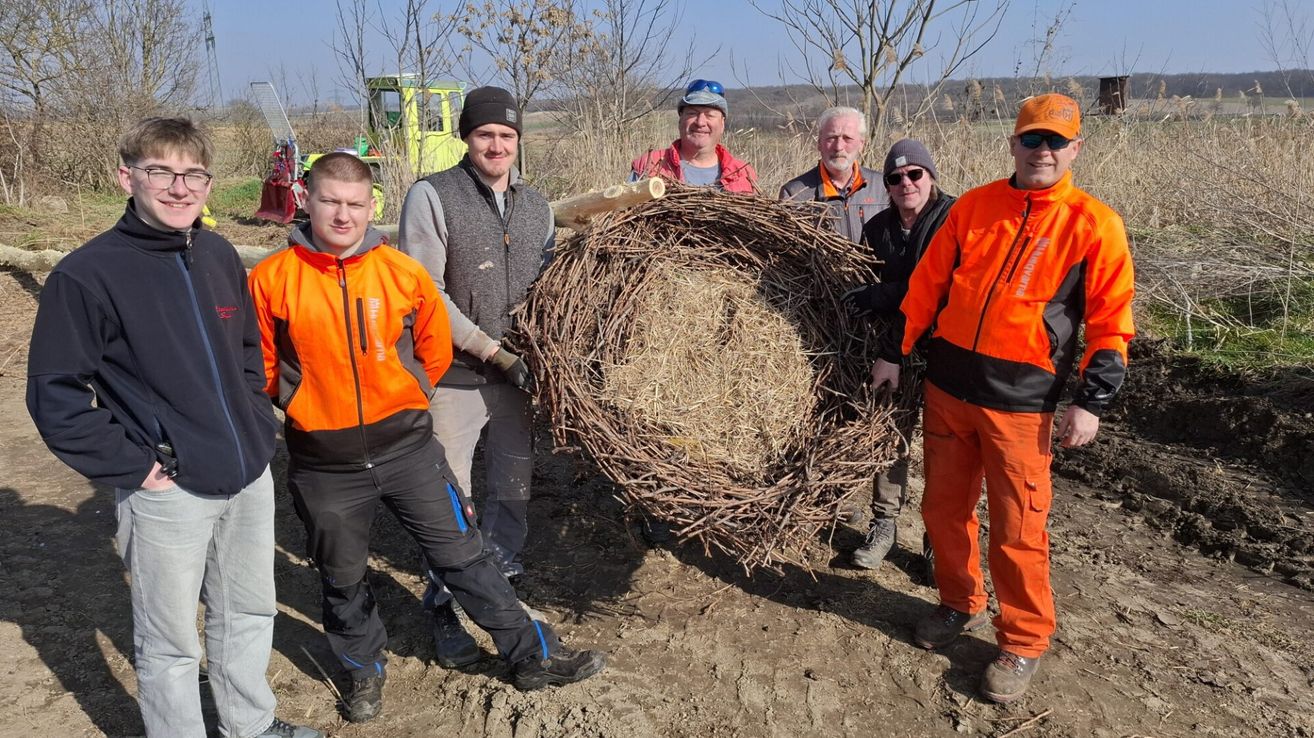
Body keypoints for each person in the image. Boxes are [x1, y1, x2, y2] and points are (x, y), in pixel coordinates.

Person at [250, 153, 604, 723]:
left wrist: (406, 394)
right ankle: (364, 670)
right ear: (307, 201)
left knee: (464, 555)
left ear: (372, 207)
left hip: (408, 451)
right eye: (331, 201)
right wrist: (299, 401)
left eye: (355, 204)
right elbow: (263, 365)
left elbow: (434, 350)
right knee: (340, 574)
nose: (343, 215)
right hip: (325, 462)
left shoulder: (400, 274)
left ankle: (527, 653)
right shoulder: (272, 279)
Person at [25, 117, 319, 738]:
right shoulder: (87, 275)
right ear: (125, 176)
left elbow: (245, 350)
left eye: (193, 175)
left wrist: (257, 422)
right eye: (161, 171)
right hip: (169, 489)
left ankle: (250, 725)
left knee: (247, 611)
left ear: (209, 183)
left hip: (246, 471)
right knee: (170, 643)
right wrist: (138, 467)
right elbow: (55, 395)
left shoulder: (215, 253)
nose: (180, 188)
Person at [875, 94, 1135, 703]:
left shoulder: (1094, 223)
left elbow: (1111, 320)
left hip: (1021, 405)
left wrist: (1091, 401)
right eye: (1032, 139)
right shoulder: (973, 207)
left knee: (1019, 530)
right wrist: (895, 349)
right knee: (943, 511)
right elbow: (927, 287)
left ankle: (1021, 641)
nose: (1042, 151)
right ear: (1013, 143)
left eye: (1055, 142)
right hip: (948, 390)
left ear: (1075, 149)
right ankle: (956, 602)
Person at [397, 86, 556, 664]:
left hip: (519, 375)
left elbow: (548, 288)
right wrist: (493, 351)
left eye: (507, 135)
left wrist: (534, 356)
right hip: (454, 373)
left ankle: (503, 573)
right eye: (486, 134)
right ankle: (444, 593)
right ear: (467, 136)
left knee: (514, 480)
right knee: (449, 492)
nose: (497, 144)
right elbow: (426, 293)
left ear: (518, 142)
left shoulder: (538, 206)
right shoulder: (432, 196)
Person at [841, 139, 955, 570]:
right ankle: (884, 523)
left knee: (945, 451)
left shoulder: (953, 219)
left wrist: (882, 294)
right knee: (891, 437)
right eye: (895, 177)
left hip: (948, 351)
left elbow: (937, 287)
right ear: (885, 185)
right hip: (896, 352)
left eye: (915, 174)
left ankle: (937, 539)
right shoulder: (878, 230)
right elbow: (872, 292)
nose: (905, 183)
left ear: (931, 176)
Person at [779, 106, 887, 242]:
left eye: (847, 138)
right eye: (831, 138)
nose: (838, 147)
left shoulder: (883, 187)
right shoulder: (795, 194)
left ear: (861, 144)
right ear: (819, 143)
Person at [629, 79, 757, 192]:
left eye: (709, 115)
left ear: (722, 124)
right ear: (680, 120)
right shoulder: (649, 166)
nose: (700, 122)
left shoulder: (743, 175)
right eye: (692, 113)